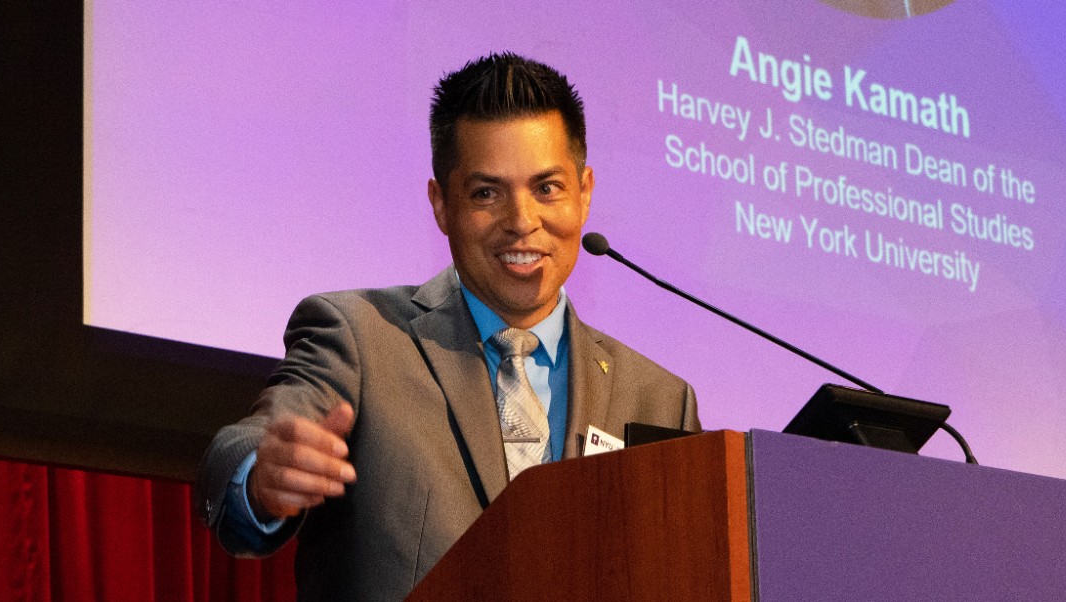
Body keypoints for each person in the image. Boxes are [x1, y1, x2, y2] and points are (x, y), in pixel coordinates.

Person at [194, 52, 700, 601]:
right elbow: (246, 442)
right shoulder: (361, 338)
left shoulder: (657, 400)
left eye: (547, 188)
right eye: (486, 193)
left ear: (585, 192)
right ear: (441, 204)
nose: (521, 221)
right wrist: (260, 477)